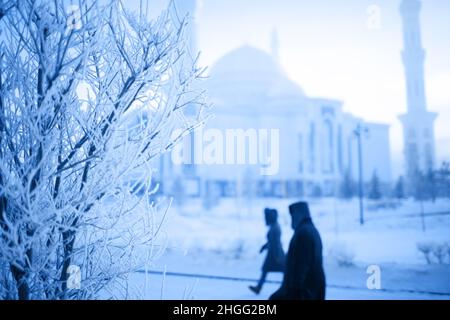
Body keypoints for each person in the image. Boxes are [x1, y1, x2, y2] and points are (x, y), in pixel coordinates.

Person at [269, 201, 326, 300]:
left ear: (299, 214)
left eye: (292, 216)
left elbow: (301, 267)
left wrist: (295, 292)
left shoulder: (304, 233)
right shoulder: (311, 230)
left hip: (305, 292)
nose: (291, 220)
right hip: (311, 290)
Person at [249, 208, 285, 295]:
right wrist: (264, 247)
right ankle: (259, 287)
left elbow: (274, 243)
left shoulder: (275, 228)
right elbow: (271, 241)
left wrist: (277, 256)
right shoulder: (274, 226)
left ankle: (286, 287)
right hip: (273, 253)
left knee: (283, 270)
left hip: (274, 254)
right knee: (267, 270)